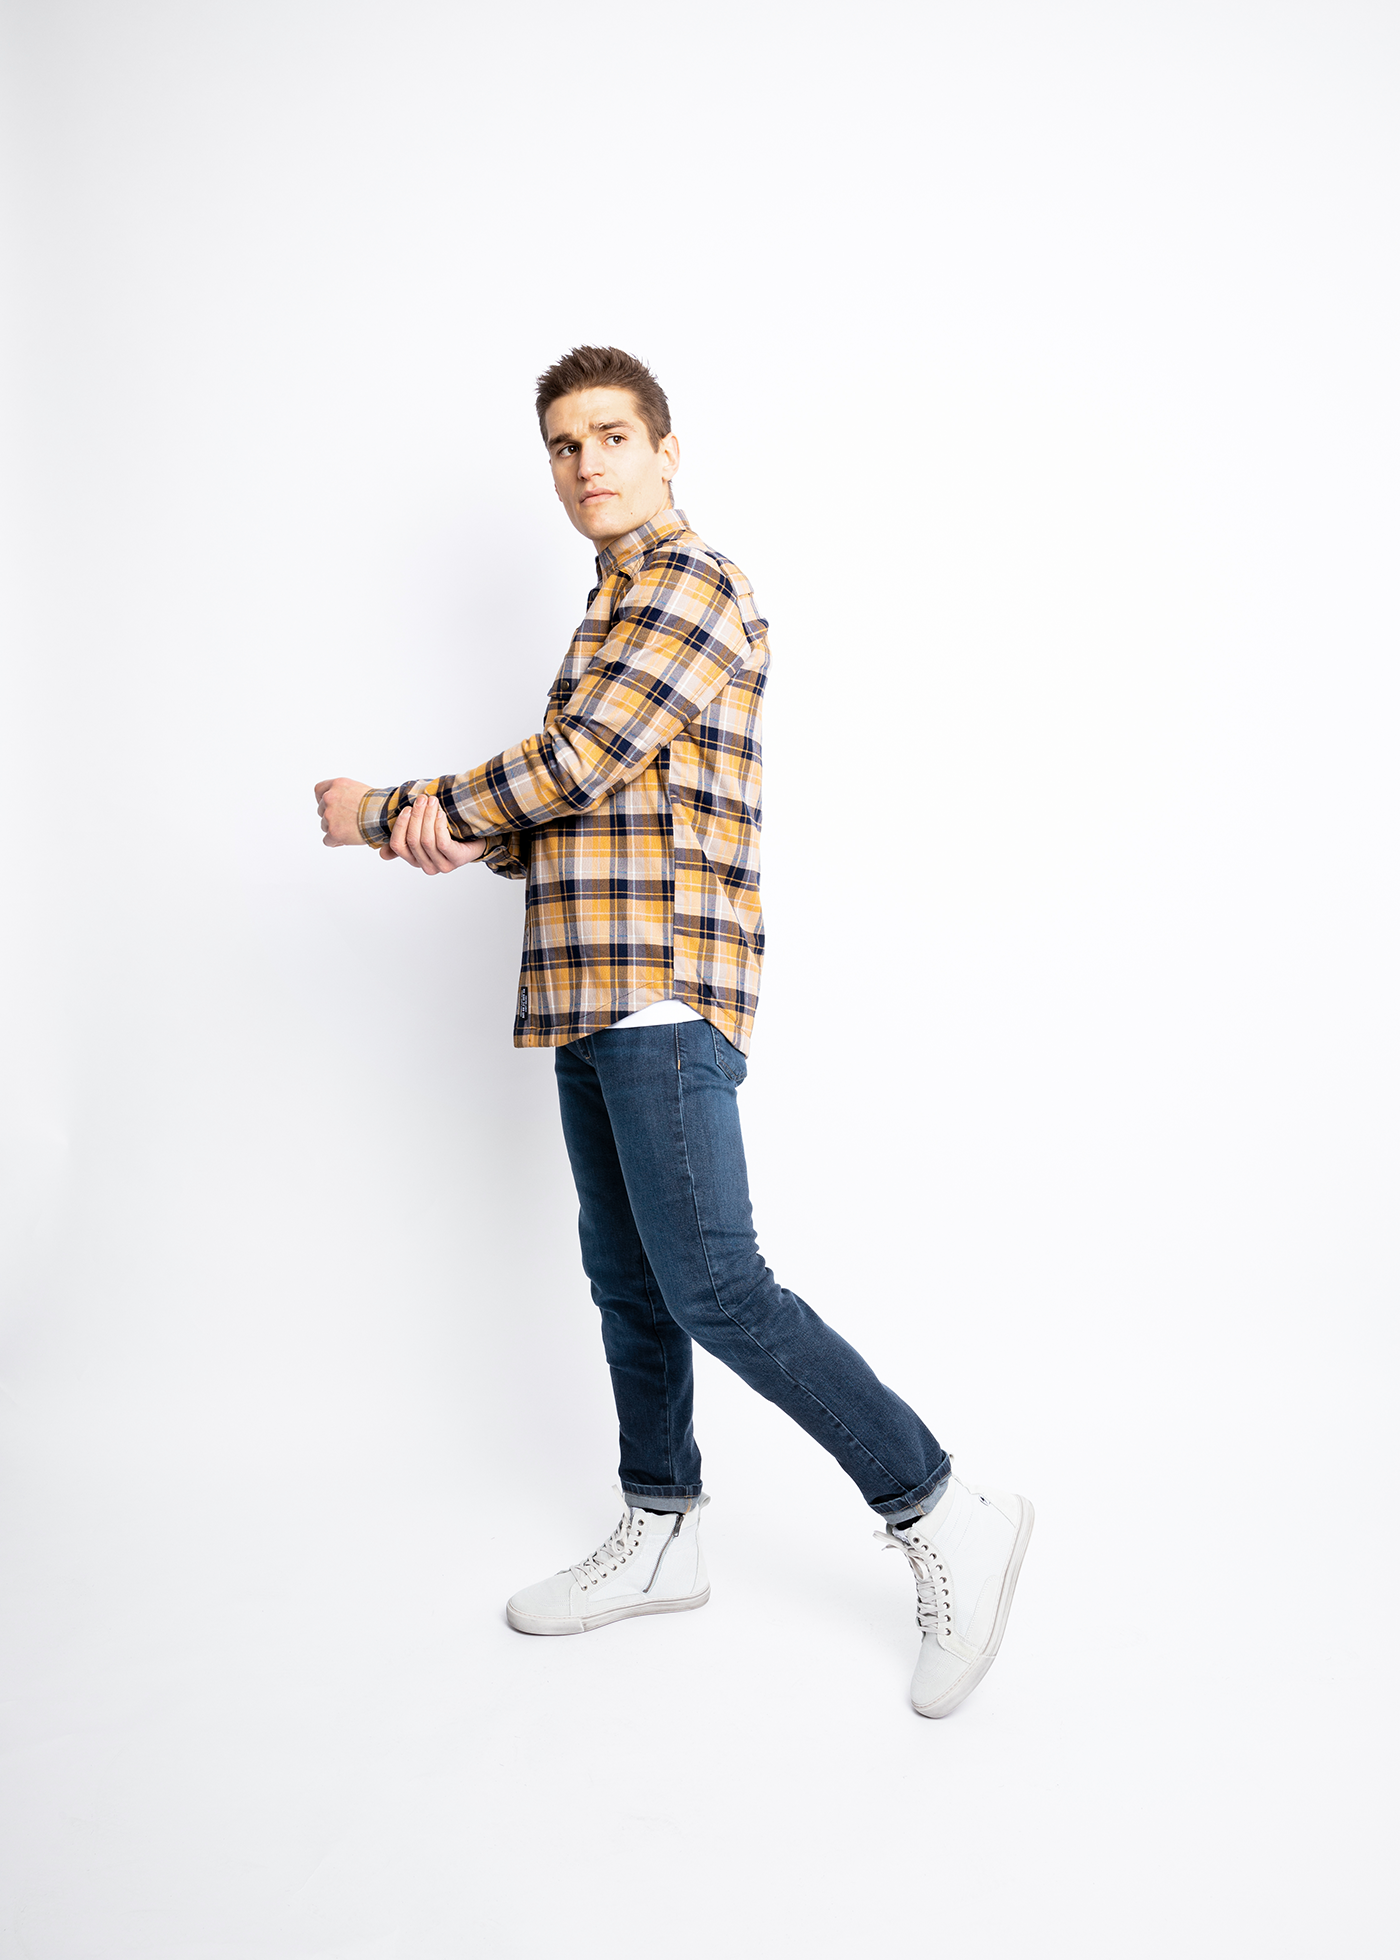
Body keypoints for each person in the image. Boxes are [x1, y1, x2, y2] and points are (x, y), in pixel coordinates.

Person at [314, 345, 1032, 1717]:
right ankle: (662, 1529)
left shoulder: (690, 585)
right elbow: (583, 808)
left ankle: (944, 1510)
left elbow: (577, 760)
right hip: (587, 990)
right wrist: (460, 835)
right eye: (563, 445)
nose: (587, 463)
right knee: (630, 1282)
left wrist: (395, 807)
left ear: (665, 450)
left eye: (611, 435)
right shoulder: (606, 615)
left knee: (716, 1284)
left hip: (660, 989)